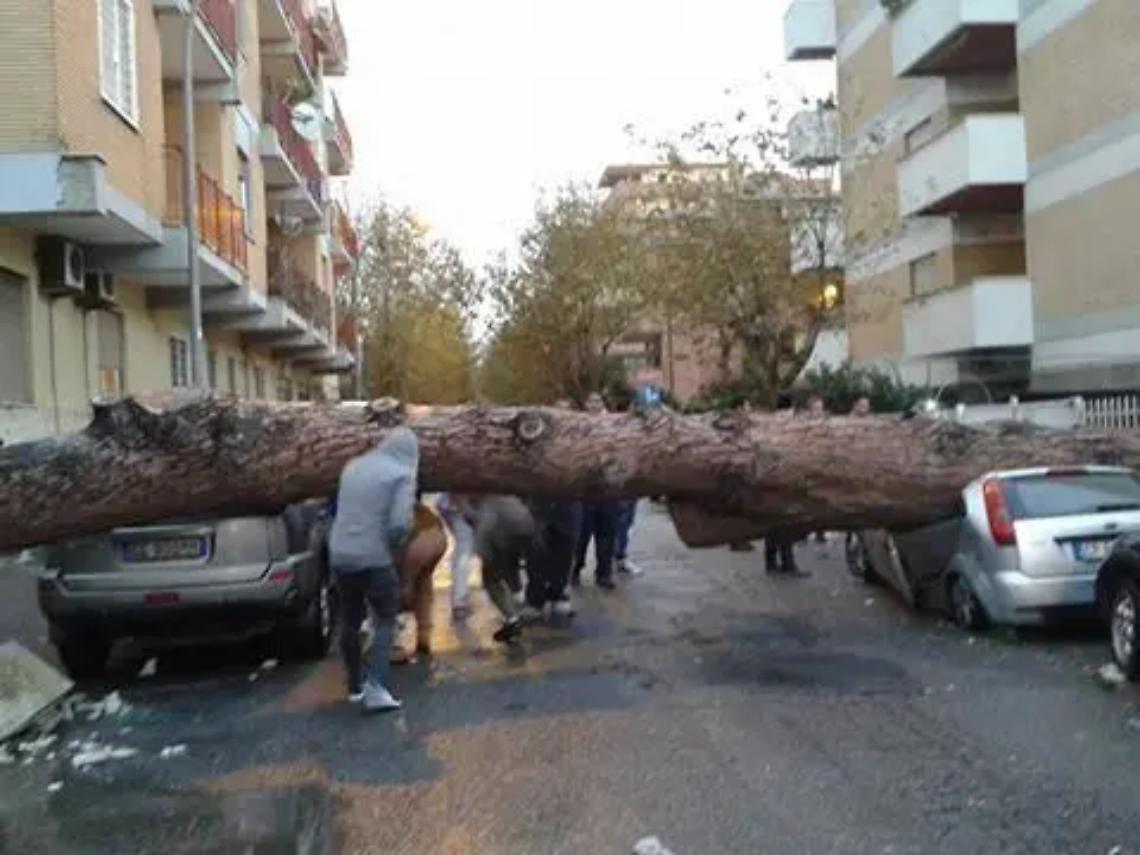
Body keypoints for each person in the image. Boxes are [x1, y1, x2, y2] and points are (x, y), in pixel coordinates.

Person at [329, 427, 418, 713]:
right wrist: (393, 548)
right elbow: (399, 524)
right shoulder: (402, 474)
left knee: (350, 618)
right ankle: (377, 686)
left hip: (341, 552)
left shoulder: (353, 466)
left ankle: (354, 685)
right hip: (374, 556)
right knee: (386, 618)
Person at [472, 495, 537, 644]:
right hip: (524, 524)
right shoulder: (501, 495)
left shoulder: (486, 504)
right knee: (508, 565)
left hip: (504, 531)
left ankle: (513, 619)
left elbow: (484, 528)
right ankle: (517, 599)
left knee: (491, 578)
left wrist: (480, 553)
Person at [573, 392, 620, 590]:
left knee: (606, 534)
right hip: (585, 489)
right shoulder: (577, 425)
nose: (594, 405)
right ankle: (575, 568)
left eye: (597, 401)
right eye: (590, 401)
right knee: (581, 534)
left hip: (608, 489)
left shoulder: (614, 425)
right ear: (585, 405)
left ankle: (604, 573)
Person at [390, 502, 448, 664]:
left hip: (416, 542)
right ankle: (424, 636)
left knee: (399, 588)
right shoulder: (411, 504)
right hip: (438, 537)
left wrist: (406, 584)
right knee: (423, 584)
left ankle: (392, 645)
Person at [437, 492, 477, 620]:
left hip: (450, 503)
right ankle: (459, 602)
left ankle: (459, 600)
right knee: (464, 549)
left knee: (463, 548)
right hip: (458, 504)